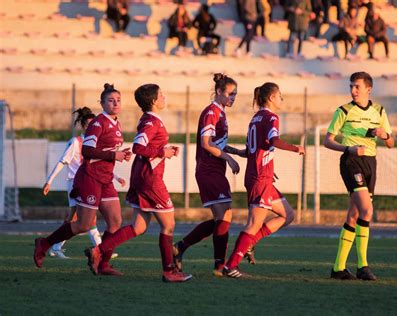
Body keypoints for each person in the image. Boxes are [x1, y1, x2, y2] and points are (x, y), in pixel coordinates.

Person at [85, 84, 192, 282]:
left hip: (143, 176)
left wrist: (165, 149)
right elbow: (138, 147)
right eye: (161, 94)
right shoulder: (152, 122)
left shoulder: (150, 120)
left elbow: (148, 146)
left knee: (139, 227)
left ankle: (98, 251)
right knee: (168, 225)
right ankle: (169, 271)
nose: (164, 97)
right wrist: (162, 152)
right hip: (150, 180)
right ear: (153, 101)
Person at [34, 84, 132, 276]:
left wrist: (120, 155)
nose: (115, 103)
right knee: (84, 225)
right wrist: (114, 156)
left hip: (105, 179)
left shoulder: (116, 123)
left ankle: (102, 264)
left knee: (115, 221)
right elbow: (86, 151)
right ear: (102, 103)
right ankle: (44, 243)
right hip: (90, 177)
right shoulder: (98, 123)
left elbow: (108, 151)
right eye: (111, 100)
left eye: (118, 100)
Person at [223, 82, 305, 278]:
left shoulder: (255, 118)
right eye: (279, 96)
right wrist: (296, 148)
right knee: (253, 223)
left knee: (288, 215)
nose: (281, 99)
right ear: (271, 98)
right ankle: (230, 266)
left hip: (261, 175)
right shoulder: (271, 117)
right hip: (260, 177)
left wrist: (233, 150)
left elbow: (252, 151)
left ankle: (249, 244)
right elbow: (274, 141)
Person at [324, 72, 394, 281]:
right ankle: (363, 266)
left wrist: (386, 136)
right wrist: (349, 149)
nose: (353, 91)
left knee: (354, 216)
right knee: (367, 210)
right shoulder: (343, 111)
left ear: (368, 89)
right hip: (351, 162)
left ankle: (338, 268)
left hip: (370, 164)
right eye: (351, 86)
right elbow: (327, 141)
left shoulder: (379, 111)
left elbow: (391, 143)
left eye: (357, 87)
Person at [173, 74, 243, 277]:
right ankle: (219, 267)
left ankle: (181, 248)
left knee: (223, 218)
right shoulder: (211, 112)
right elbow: (206, 143)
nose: (233, 98)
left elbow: (217, 143)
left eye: (236, 94)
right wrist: (229, 159)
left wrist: (237, 152)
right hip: (208, 169)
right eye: (230, 94)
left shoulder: (220, 112)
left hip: (215, 168)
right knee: (224, 217)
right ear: (219, 92)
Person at [42, 107, 125, 259]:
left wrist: (116, 177)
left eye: (94, 124)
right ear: (83, 126)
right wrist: (49, 181)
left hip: (90, 181)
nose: (92, 127)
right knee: (78, 219)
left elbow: (99, 165)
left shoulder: (96, 143)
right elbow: (62, 161)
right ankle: (56, 246)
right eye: (89, 125)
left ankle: (99, 249)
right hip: (75, 182)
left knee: (84, 219)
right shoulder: (76, 142)